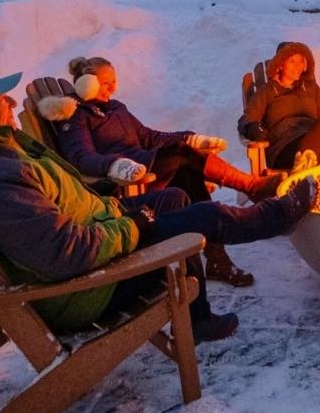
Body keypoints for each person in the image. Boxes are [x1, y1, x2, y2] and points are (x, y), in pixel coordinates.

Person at [0, 67, 317, 344]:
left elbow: (69, 194)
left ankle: (196, 318)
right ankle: (279, 215)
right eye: (0, 99)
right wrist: (135, 223)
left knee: (177, 196)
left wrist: (121, 211)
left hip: (103, 229)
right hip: (86, 288)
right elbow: (63, 252)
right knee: (203, 217)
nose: (13, 105)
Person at [46, 55, 282, 288]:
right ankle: (250, 188)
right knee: (181, 156)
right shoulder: (75, 116)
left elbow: (149, 136)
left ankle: (217, 259)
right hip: (128, 180)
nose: (112, 87)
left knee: (187, 175)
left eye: (114, 81)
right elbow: (80, 157)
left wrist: (190, 138)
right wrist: (114, 165)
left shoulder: (116, 108)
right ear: (86, 84)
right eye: (105, 83)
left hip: (146, 168)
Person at [238, 40, 320, 171]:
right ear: (280, 65)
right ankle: (304, 167)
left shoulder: (310, 88)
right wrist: (254, 129)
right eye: (292, 62)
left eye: (301, 61)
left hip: (315, 145)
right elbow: (247, 119)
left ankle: (309, 176)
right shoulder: (267, 91)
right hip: (284, 149)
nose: (298, 66)